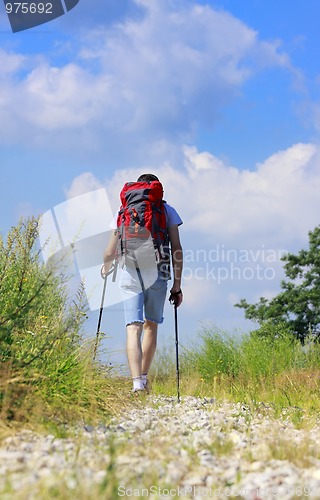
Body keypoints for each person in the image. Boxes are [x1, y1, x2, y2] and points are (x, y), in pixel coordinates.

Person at [102, 173, 183, 393]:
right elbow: (176, 248)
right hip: (159, 267)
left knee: (133, 327)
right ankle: (145, 379)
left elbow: (110, 251)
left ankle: (136, 382)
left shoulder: (123, 212)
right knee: (151, 325)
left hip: (129, 268)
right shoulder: (167, 211)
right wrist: (177, 285)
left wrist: (106, 266)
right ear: (158, 191)